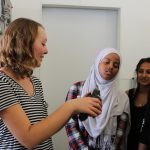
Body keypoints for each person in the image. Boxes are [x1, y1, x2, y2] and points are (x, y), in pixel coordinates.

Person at [0, 18, 101, 150]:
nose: (46, 50)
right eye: (43, 44)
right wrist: (71, 106)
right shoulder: (3, 83)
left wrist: (75, 109)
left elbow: (44, 129)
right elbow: (29, 138)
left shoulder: (35, 82)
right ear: (24, 43)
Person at [65, 48, 130, 150]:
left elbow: (120, 132)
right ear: (97, 63)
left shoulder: (122, 98)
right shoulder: (77, 89)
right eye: (107, 62)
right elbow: (70, 124)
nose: (111, 66)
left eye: (116, 65)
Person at [126, 57, 150, 150]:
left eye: (149, 72)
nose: (144, 75)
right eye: (141, 71)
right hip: (128, 144)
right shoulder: (127, 95)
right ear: (136, 73)